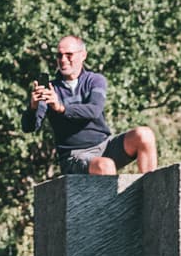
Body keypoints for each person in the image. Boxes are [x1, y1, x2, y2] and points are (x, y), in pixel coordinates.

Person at [22, 35, 159, 176]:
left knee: (145, 135)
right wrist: (33, 107)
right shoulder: (51, 90)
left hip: (104, 145)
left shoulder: (95, 80)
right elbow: (29, 127)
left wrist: (61, 108)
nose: (63, 60)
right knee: (105, 165)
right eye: (59, 55)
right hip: (74, 156)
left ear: (83, 55)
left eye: (69, 55)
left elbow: (94, 110)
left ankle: (151, 192)